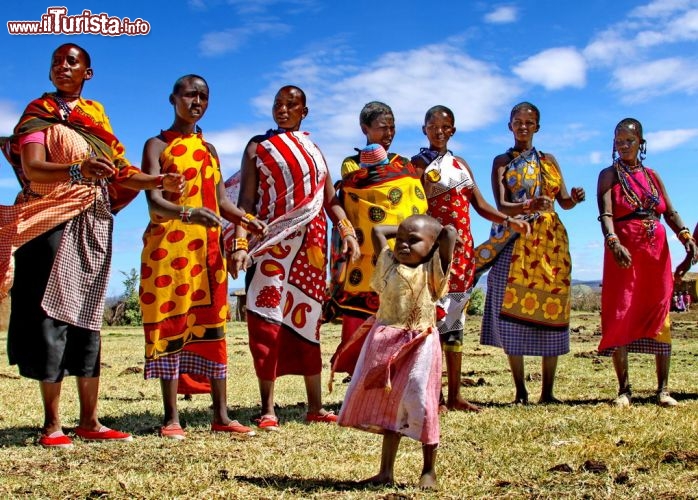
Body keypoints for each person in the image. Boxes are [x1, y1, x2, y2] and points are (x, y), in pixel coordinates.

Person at [0, 43, 182, 448]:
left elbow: (119, 171)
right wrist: (76, 168)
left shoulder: (96, 118)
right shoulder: (37, 113)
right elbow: (33, 166)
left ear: (88, 72)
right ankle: (52, 425)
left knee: (88, 319)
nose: (62, 67)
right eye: (56, 62)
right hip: (50, 221)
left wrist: (158, 183)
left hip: (93, 223)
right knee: (53, 317)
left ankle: (90, 420)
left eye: (72, 62)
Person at [139, 75, 266, 440]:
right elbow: (153, 200)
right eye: (190, 94)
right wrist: (188, 213)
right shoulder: (157, 144)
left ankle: (221, 414)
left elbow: (223, 202)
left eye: (204, 96)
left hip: (208, 252)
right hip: (168, 251)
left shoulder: (209, 149)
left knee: (214, 327)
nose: (197, 101)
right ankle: (171, 416)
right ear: (173, 98)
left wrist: (247, 220)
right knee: (170, 326)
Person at [228, 85, 359, 431]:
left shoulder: (314, 150)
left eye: (291, 105)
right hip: (270, 243)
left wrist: (346, 231)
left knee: (308, 321)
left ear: (305, 111)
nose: (283, 110)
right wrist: (240, 243)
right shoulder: (258, 146)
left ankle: (315, 406)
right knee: (265, 318)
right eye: (278, 104)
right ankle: (268, 407)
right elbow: (246, 201)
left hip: (311, 247)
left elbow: (331, 199)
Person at [411, 105, 530, 412]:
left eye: (445, 127)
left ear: (453, 130)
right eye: (433, 126)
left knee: (455, 321)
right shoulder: (417, 165)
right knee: (433, 323)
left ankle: (454, 395)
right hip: (435, 254)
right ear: (424, 129)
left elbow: (479, 204)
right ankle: (432, 395)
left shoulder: (460, 164)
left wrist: (508, 220)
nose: (439, 131)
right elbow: (414, 212)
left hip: (464, 254)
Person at [476, 102, 585, 404]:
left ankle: (548, 392)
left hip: (551, 242)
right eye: (518, 121)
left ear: (538, 126)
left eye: (529, 122)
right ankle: (521, 391)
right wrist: (528, 206)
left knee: (553, 310)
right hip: (516, 236)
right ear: (509, 126)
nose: (523, 126)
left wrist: (574, 198)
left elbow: (562, 201)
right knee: (511, 310)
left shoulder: (549, 160)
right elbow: (500, 205)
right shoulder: (502, 160)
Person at [338, 214, 455, 490]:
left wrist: (435, 237)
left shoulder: (433, 269)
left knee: (422, 402)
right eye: (400, 239)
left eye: (412, 241)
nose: (402, 244)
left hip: (421, 346)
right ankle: (385, 471)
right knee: (391, 405)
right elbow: (378, 230)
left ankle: (429, 470)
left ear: (432, 245)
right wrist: (404, 230)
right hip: (386, 340)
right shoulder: (389, 264)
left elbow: (449, 232)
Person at [597, 118, 697, 407]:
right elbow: (605, 213)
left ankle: (663, 390)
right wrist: (613, 242)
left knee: (659, 310)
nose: (623, 145)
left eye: (628, 140)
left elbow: (670, 211)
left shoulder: (653, 176)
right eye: (618, 141)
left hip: (656, 252)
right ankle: (624, 390)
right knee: (622, 310)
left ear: (641, 142)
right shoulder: (608, 175)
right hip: (624, 252)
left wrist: (686, 236)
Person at [328, 101, 427, 376]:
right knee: (360, 315)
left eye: (392, 127)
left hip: (401, 253)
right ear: (365, 128)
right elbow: (355, 196)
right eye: (382, 127)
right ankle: (358, 374)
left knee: (401, 315)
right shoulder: (351, 164)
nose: (389, 133)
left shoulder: (403, 164)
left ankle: (396, 371)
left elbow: (413, 201)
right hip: (364, 255)